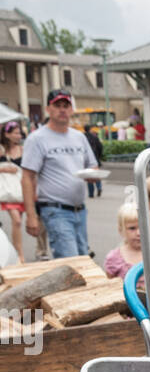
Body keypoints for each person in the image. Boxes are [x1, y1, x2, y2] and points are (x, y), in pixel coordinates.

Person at [21, 88, 98, 257]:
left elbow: (93, 166)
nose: (62, 109)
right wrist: (31, 216)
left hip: (80, 210)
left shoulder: (79, 137)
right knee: (70, 261)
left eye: (66, 105)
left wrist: (93, 175)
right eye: (57, 105)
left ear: (71, 109)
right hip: (55, 210)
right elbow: (27, 177)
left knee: (83, 258)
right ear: (48, 109)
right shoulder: (37, 139)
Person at [0, 119, 26, 261]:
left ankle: (16, 250)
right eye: (16, 133)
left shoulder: (23, 149)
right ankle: (20, 255)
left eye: (20, 133)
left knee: (18, 222)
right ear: (7, 134)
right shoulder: (1, 149)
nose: (19, 136)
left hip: (21, 191)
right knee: (16, 221)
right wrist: (4, 168)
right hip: (8, 192)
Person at [103, 192, 144, 281]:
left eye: (142, 227)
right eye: (132, 228)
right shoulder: (113, 258)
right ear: (121, 230)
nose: (138, 233)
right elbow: (108, 288)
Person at [83, 125, 104, 197]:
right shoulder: (94, 136)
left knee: (89, 175)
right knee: (96, 174)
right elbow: (100, 147)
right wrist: (99, 155)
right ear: (90, 129)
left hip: (86, 159)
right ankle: (99, 187)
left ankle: (91, 194)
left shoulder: (82, 137)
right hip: (95, 157)